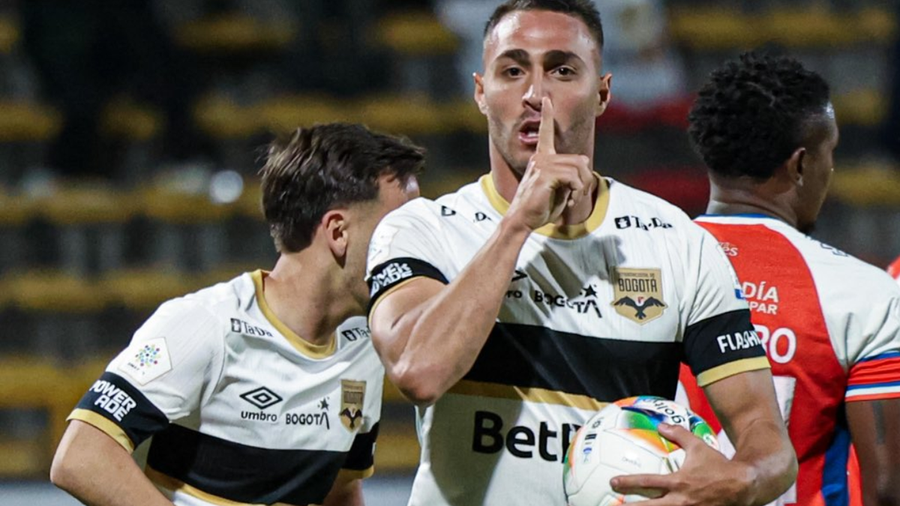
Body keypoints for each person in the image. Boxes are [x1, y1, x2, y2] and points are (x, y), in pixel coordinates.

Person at [364, 1, 797, 505]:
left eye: (562, 71)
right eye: (512, 71)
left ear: (602, 93)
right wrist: (517, 225)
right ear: (481, 92)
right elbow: (418, 372)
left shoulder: (678, 244)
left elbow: (768, 443)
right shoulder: (424, 230)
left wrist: (735, 482)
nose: (535, 94)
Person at [49, 123, 425, 506]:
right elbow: (81, 456)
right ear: (338, 231)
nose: (417, 249)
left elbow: (338, 491)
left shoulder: (363, 346)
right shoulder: (204, 325)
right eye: (401, 229)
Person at [677, 51, 900, 506]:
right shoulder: (866, 295)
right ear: (800, 165)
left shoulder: (645, 267)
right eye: (829, 152)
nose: (830, 169)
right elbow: (885, 489)